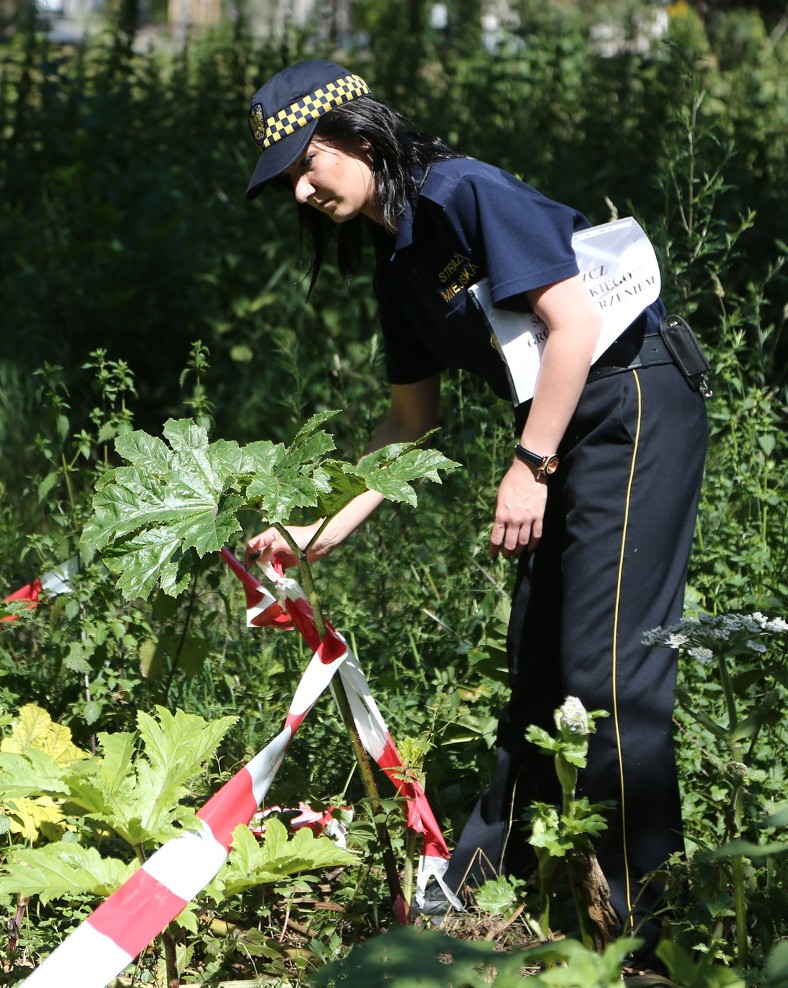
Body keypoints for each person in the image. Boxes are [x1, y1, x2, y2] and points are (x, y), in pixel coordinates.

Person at [243, 59, 708, 966]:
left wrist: (530, 465)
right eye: (288, 182)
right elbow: (411, 423)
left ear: (360, 138)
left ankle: (653, 934)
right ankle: (482, 891)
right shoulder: (399, 260)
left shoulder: (462, 191)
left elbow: (572, 322)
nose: (302, 189)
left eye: (309, 164)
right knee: (539, 668)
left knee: (608, 671)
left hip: (633, 398)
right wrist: (319, 527)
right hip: (562, 421)